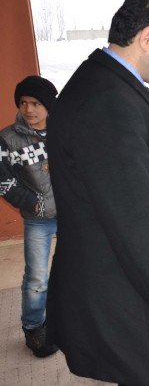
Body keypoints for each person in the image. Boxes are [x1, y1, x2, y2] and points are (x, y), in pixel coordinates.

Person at [46, 0, 149, 385]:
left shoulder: (111, 85)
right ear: (147, 38)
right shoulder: (106, 101)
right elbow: (132, 213)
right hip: (130, 299)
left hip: (128, 291)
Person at [0, 76, 58, 358]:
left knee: (80, 269)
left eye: (36, 103)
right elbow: (3, 181)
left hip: (73, 215)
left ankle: (74, 319)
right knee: (36, 278)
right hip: (39, 218)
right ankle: (34, 328)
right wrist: (31, 202)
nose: (29, 109)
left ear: (49, 105)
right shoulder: (8, 139)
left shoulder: (66, 131)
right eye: (23, 103)